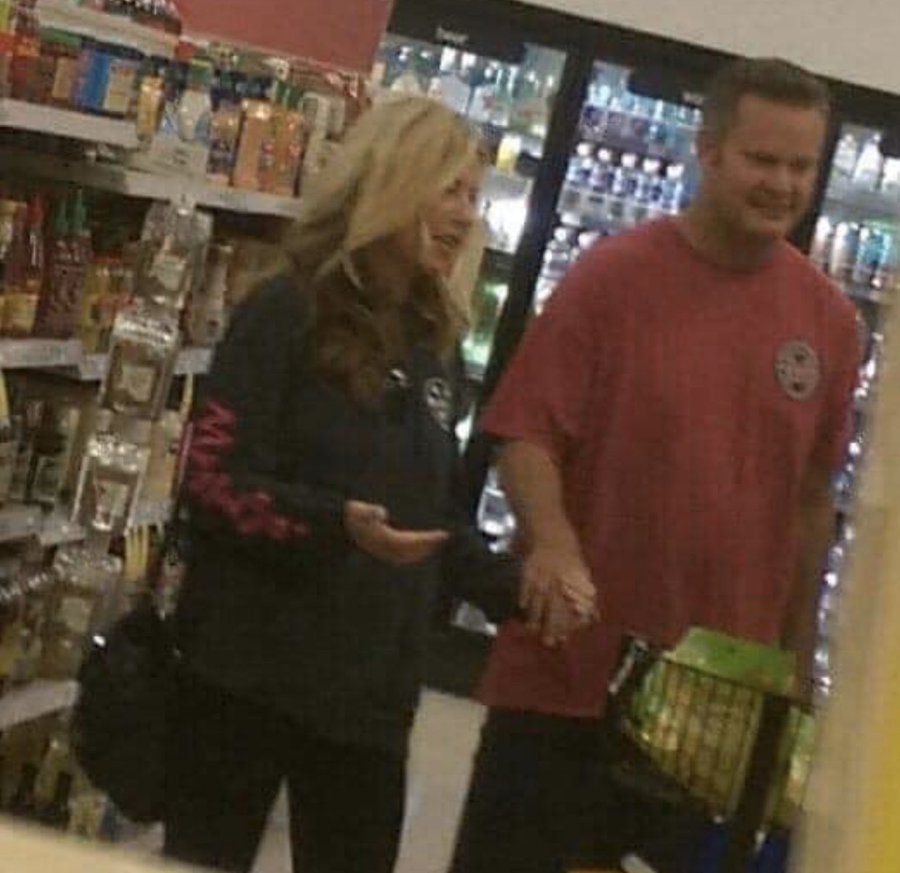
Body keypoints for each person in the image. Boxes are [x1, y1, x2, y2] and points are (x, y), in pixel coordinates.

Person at [450, 57, 861, 873]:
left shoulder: (830, 323)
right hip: (570, 674)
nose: (783, 184)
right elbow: (526, 433)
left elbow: (813, 501)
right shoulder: (613, 277)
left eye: (801, 166)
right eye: (762, 160)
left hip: (716, 705)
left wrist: (798, 657)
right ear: (708, 152)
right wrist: (553, 542)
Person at [163, 95, 591, 873]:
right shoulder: (287, 309)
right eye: (449, 190)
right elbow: (213, 480)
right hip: (246, 678)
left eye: (473, 196)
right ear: (389, 183)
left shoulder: (432, 344)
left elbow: (429, 520)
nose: (466, 216)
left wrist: (521, 591)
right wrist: (337, 524)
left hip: (368, 701)